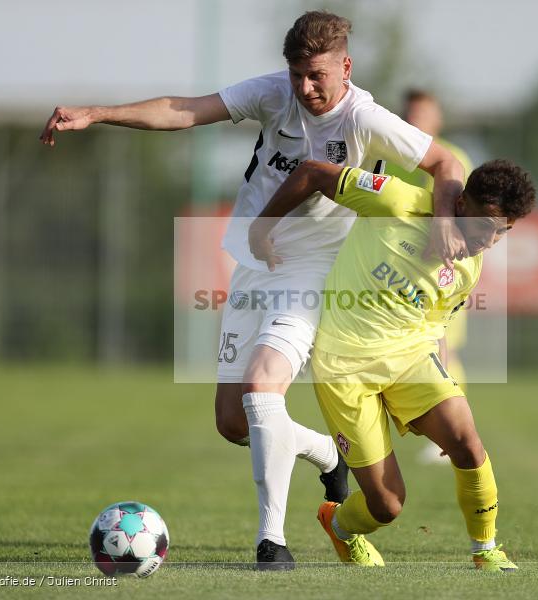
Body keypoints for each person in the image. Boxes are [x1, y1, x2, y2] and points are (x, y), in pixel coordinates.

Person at [39, 11, 468, 570]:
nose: (305, 87)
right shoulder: (273, 93)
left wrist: (444, 225)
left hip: (316, 271)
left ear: (346, 66)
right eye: (297, 75)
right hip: (252, 263)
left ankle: (272, 542)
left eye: (316, 75)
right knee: (234, 421)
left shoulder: (364, 117)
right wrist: (96, 113)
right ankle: (324, 455)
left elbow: (444, 161)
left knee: (263, 386)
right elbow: (186, 110)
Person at [248, 158, 536, 569]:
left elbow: (435, 325)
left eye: (502, 232)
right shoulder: (395, 200)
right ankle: (340, 526)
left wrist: (447, 394)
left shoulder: (469, 266)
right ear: (461, 202)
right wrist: (260, 227)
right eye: (486, 225)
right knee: (387, 505)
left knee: (467, 443)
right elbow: (312, 172)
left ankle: (486, 550)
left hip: (410, 357)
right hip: (344, 367)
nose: (490, 240)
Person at [385, 90, 475, 466]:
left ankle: (452, 437)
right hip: (391, 273)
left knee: (442, 349)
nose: (414, 120)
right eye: (409, 113)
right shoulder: (389, 156)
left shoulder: (453, 159)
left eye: (422, 114)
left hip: (438, 273)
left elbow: (468, 221)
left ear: (437, 120)